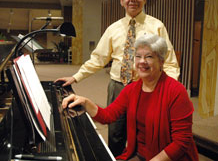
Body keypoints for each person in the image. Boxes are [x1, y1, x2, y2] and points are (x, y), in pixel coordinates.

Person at [56, 0, 180, 157]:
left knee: (147, 134)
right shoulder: (113, 29)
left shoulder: (157, 26)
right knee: (115, 133)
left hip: (147, 89)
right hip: (118, 88)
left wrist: (169, 90)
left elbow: (169, 61)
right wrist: (76, 77)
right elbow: (98, 59)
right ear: (121, 1)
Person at [62, 34, 199, 161]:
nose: (142, 62)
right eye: (138, 56)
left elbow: (181, 142)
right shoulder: (132, 89)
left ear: (161, 61)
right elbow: (108, 116)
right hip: (139, 155)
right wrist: (85, 102)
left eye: (149, 57)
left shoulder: (176, 91)